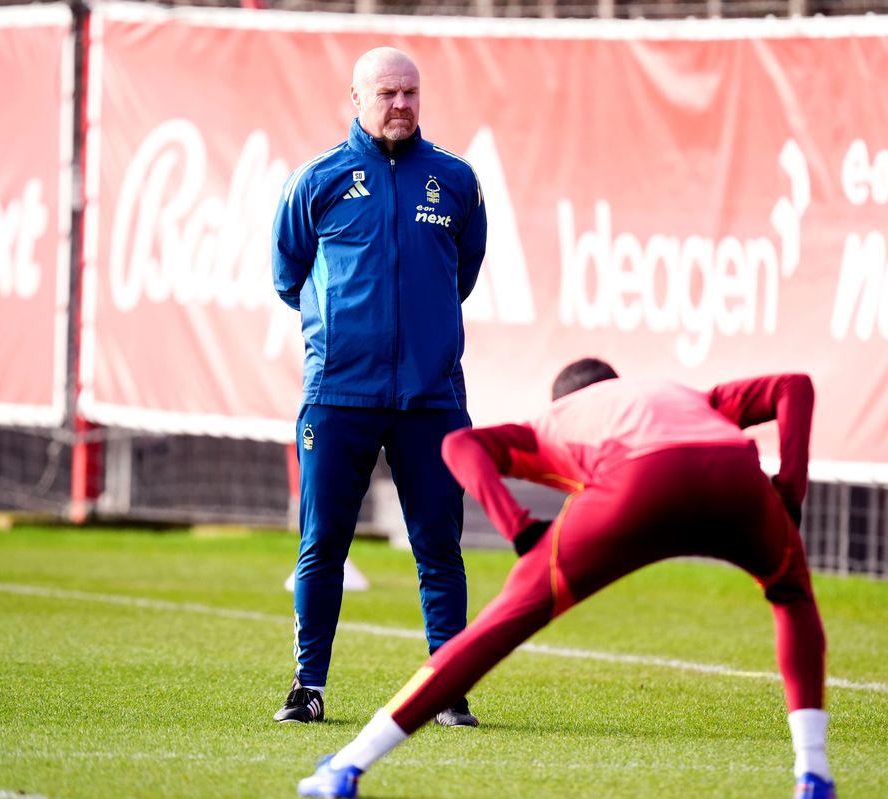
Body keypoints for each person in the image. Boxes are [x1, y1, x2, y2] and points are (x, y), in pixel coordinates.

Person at [297, 358, 836, 798]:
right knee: (792, 596)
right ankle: (812, 773)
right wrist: (789, 492)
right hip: (733, 476)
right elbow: (794, 386)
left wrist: (520, 527)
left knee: (493, 631)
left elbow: (459, 447)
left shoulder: (554, 421)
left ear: (564, 399)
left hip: (634, 485)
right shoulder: (682, 394)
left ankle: (345, 768)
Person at [270, 46, 487, 727]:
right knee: (323, 541)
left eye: (411, 93)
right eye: (387, 93)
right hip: (339, 394)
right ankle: (308, 686)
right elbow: (288, 272)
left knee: (438, 545)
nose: (401, 105)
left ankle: (447, 690)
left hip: (431, 398)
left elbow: (464, 271)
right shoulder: (318, 181)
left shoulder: (455, 180)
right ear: (356, 97)